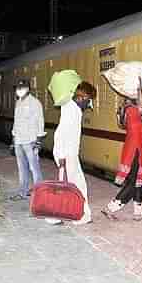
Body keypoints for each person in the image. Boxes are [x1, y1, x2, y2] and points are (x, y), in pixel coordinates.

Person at [45, 81, 96, 226]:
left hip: (68, 153)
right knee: (75, 186)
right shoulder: (72, 111)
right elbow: (61, 133)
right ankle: (81, 216)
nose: (89, 104)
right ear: (81, 97)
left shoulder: (72, 108)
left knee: (66, 186)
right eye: (89, 100)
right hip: (66, 154)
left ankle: (55, 216)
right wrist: (61, 156)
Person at [101, 78, 142, 221]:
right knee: (133, 182)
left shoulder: (126, 109)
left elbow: (141, 107)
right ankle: (110, 208)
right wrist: (140, 88)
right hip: (135, 149)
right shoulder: (132, 110)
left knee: (139, 182)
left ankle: (139, 212)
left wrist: (139, 90)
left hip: (135, 148)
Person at [9, 79, 46, 201]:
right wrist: (13, 140)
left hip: (30, 141)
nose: (19, 90)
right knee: (21, 168)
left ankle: (39, 194)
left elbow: (40, 122)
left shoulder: (35, 103)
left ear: (28, 89)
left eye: (22, 88)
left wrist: (39, 141)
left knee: (34, 168)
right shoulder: (18, 102)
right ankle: (23, 192)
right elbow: (16, 122)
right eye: (18, 88)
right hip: (19, 140)